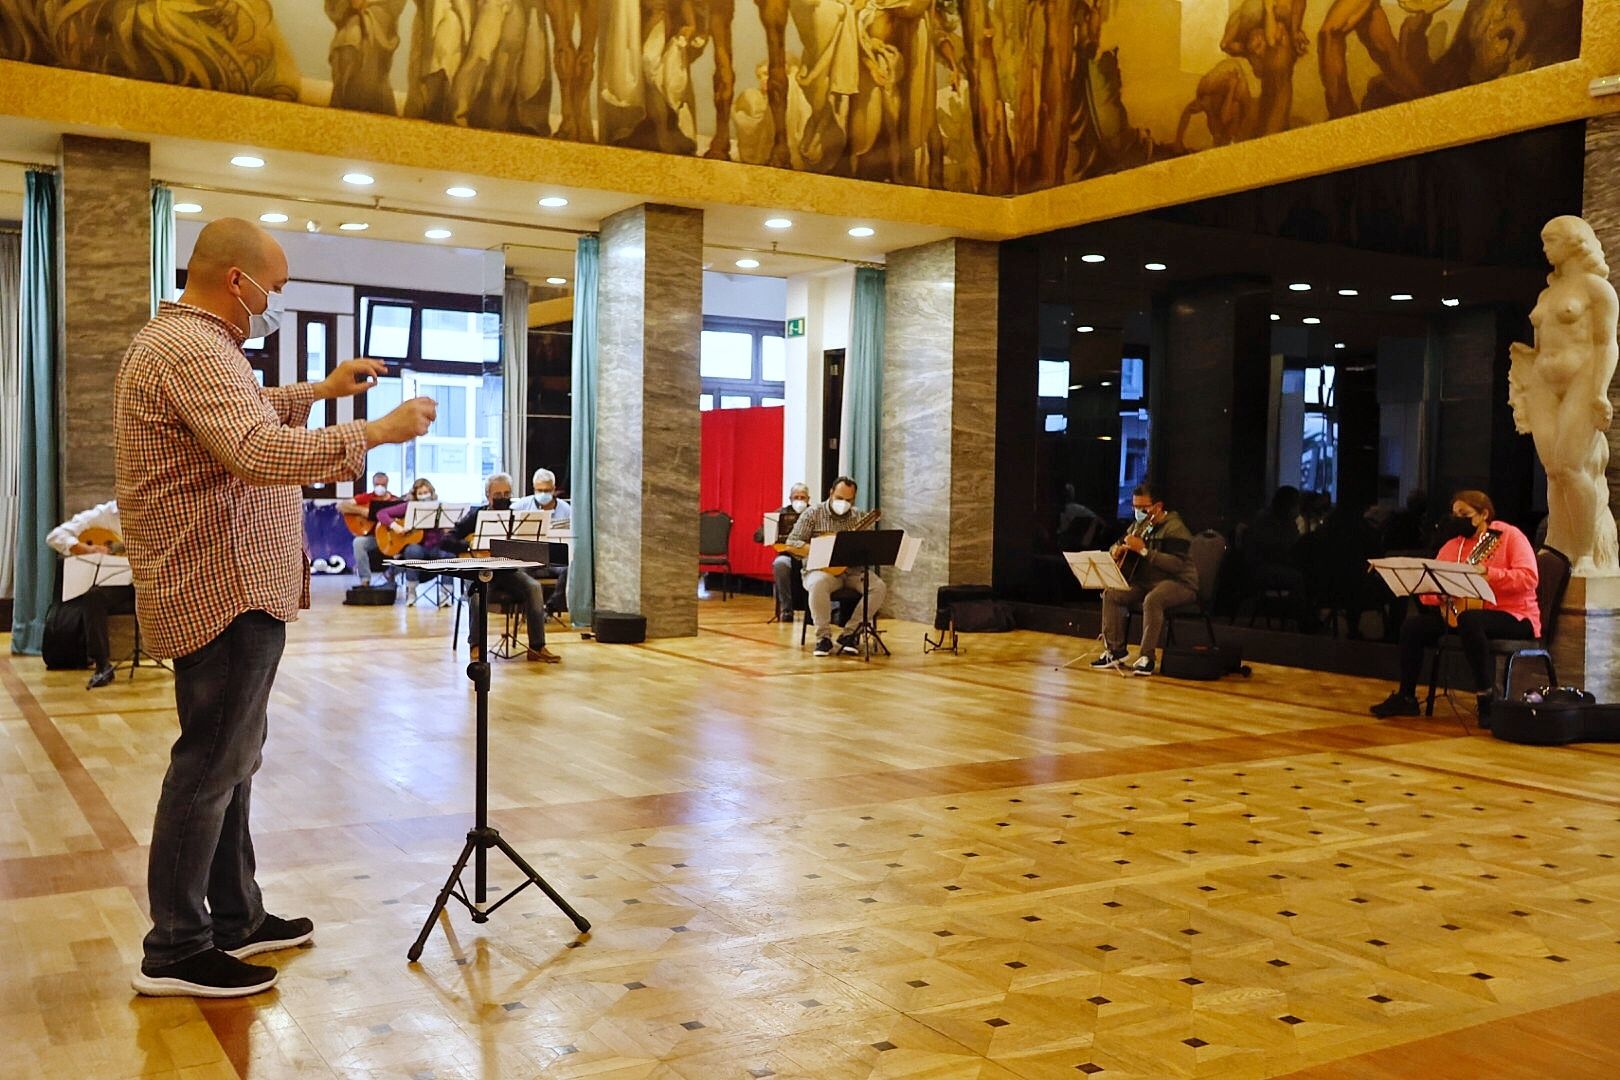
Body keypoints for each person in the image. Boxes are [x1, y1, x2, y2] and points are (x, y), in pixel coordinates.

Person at [114, 217, 435, 998]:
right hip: (218, 586)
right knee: (208, 765)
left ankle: (237, 916)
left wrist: (321, 393)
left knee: (233, 762)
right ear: (237, 282)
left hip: (231, 582)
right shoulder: (191, 348)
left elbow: (249, 411)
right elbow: (256, 451)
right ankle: (178, 947)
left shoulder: (197, 347)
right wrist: (374, 432)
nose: (275, 304)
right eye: (277, 290)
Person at [1369, 490, 1540, 721]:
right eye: (1454, 513)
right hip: (1460, 615)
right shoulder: (1452, 546)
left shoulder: (1507, 536)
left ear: (1483, 515)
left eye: (1464, 513)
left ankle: (1486, 698)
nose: (1457, 518)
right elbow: (1427, 592)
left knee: (1470, 620)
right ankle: (1406, 697)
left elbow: (1529, 578)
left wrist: (1490, 573)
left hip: (1512, 614)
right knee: (1414, 626)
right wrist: (1439, 594)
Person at [449, 473, 560, 663]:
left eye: (506, 494)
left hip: (508, 571)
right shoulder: (477, 514)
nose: (503, 498)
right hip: (481, 571)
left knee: (533, 587)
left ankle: (537, 647)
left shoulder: (517, 516)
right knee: (477, 595)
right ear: (487, 496)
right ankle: (476, 647)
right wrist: (470, 547)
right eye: (497, 495)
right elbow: (447, 539)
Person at [1093, 483, 1199, 676]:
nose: (1137, 512)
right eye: (1134, 507)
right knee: (1112, 594)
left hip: (1179, 583)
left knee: (1153, 599)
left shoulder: (1176, 528)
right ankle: (1115, 651)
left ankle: (1147, 657)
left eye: (1142, 508)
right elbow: (1118, 544)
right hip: (1146, 581)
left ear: (1157, 507)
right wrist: (1115, 551)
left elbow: (1177, 565)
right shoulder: (1139, 525)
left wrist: (1143, 550)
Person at [783, 477, 885, 657]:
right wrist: (819, 550)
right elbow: (791, 542)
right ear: (830, 493)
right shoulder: (813, 513)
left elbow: (866, 547)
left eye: (848, 500)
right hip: (821, 571)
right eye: (839, 498)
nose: (843, 503)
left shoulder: (858, 516)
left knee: (878, 587)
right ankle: (823, 637)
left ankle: (850, 634)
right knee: (818, 584)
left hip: (852, 571)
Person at [46, 499, 136, 689]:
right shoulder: (104, 514)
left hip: (145, 581)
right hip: (117, 582)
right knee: (94, 596)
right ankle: (102, 665)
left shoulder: (151, 511)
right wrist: (87, 549)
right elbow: (55, 536)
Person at [377, 477, 453, 604]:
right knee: (412, 551)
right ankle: (411, 591)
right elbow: (381, 513)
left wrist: (448, 529)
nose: (424, 496)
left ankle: (445, 594)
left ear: (432, 493)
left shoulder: (440, 507)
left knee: (448, 554)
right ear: (415, 496)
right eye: (420, 494)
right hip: (418, 547)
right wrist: (395, 526)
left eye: (426, 492)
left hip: (436, 547)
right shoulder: (409, 507)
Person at [512, 466, 571, 615]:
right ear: (533, 489)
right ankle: (529, 609)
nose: (543, 494)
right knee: (517, 573)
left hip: (554, 558)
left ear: (554, 489)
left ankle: (550, 608)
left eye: (547, 490)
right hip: (529, 557)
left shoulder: (567, 510)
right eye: (539, 490)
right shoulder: (520, 506)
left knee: (570, 570)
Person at [758, 482, 809, 622]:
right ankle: (787, 609)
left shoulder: (814, 512)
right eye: (796, 497)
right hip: (786, 555)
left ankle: (812, 611)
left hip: (808, 555)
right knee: (780, 564)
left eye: (803, 497)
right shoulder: (780, 513)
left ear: (808, 499)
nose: (799, 500)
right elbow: (758, 536)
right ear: (790, 498)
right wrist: (768, 529)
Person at [336, 471, 397, 586]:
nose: (379, 487)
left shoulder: (394, 500)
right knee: (358, 543)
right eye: (377, 484)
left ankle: (391, 573)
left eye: (382, 485)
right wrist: (364, 512)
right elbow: (341, 506)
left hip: (390, 538)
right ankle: (365, 579)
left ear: (387, 484)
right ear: (373, 484)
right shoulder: (366, 497)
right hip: (372, 537)